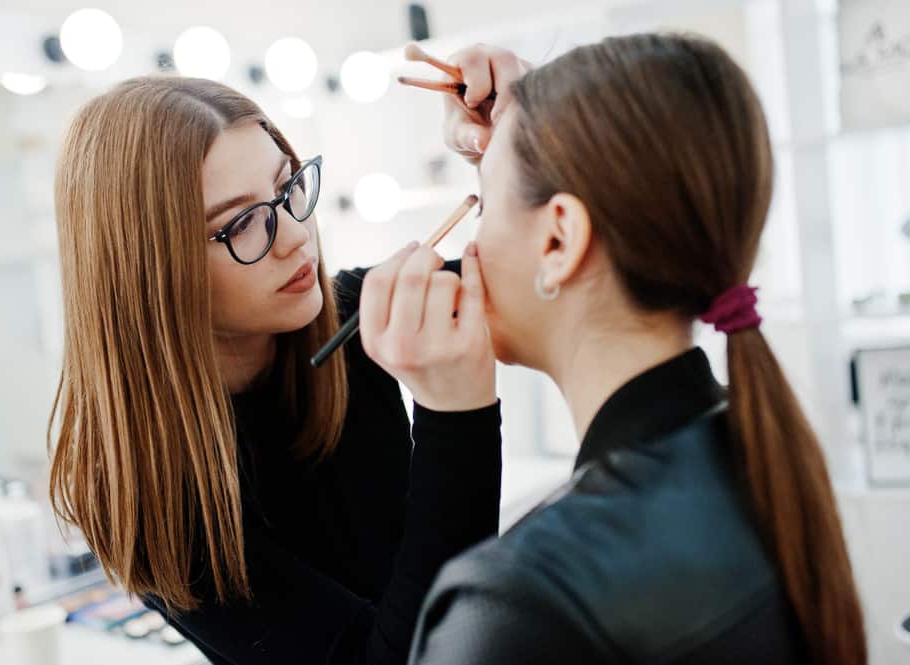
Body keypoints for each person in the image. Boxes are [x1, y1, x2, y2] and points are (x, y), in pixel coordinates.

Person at [362, 33, 866, 665]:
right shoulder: (762, 457)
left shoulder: (522, 604)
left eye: (485, 202)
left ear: (559, 241)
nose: (471, 244)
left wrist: (447, 420)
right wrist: (531, 132)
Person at [46, 50, 523, 665]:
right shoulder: (145, 495)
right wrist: (455, 414)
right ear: (151, 274)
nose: (297, 234)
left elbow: (535, 263)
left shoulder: (353, 311)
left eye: (288, 186)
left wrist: (508, 148)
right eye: (243, 223)